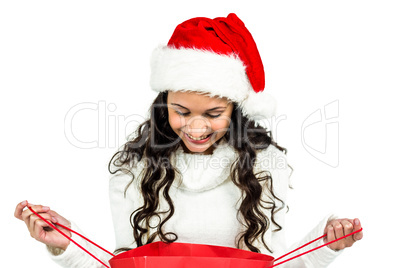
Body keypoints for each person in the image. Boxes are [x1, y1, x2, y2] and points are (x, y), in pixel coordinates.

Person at [14, 13, 363, 267]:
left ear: (236, 110)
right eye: (181, 111)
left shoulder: (264, 164)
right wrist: (67, 244)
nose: (195, 128)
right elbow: (123, 266)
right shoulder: (135, 168)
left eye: (213, 114)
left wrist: (325, 244)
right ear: (163, 104)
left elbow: (275, 265)